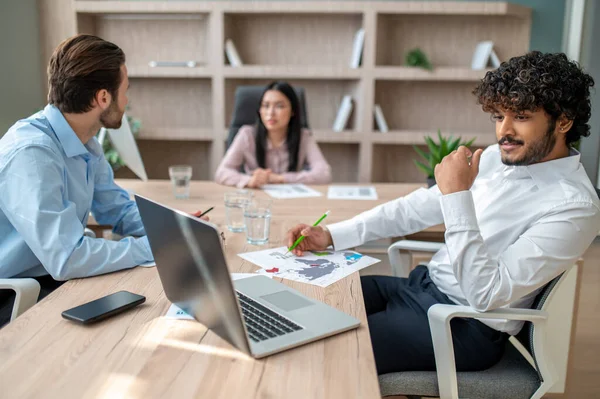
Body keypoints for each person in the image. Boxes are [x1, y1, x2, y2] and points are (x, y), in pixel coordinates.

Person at [286, 51, 600, 374]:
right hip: (421, 286)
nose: (503, 131)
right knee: (311, 305)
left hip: (463, 324)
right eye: (498, 116)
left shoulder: (575, 206)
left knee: (330, 351)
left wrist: (457, 195)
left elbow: (486, 293)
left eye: (520, 116)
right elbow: (412, 210)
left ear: (563, 121)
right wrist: (332, 235)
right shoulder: (496, 158)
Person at [0, 34, 206, 326]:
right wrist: (158, 248)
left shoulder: (84, 142)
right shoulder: (33, 154)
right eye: (126, 90)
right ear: (103, 98)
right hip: (17, 293)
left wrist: (173, 227)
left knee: (160, 306)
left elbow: (118, 210)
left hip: (53, 279)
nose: (127, 99)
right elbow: (67, 258)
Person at [215, 81, 332, 188]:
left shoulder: (304, 137)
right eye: (266, 106)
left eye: (279, 106)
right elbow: (222, 172)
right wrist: (249, 180)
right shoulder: (247, 134)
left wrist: (280, 178)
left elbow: (324, 174)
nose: (270, 113)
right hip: (256, 200)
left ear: (292, 111)